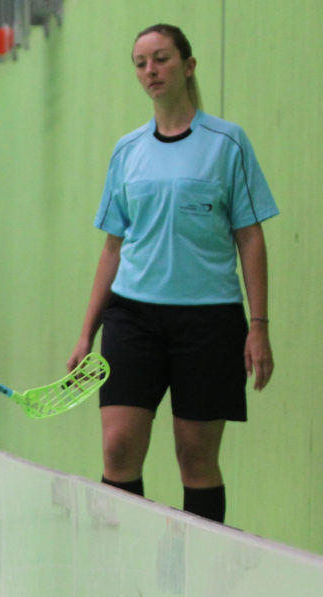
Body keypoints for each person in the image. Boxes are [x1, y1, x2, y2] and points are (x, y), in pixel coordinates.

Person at [66, 23, 277, 524]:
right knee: (117, 449)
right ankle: (120, 571)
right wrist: (85, 333)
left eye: (160, 59)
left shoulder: (228, 143)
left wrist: (259, 326)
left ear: (188, 65)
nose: (150, 70)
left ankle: (194, 587)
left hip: (209, 321)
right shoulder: (127, 151)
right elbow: (112, 247)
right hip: (132, 318)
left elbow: (250, 237)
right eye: (141, 63)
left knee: (196, 458)